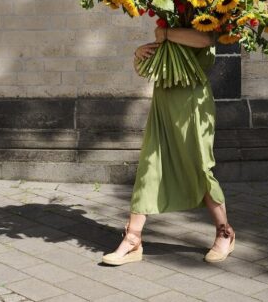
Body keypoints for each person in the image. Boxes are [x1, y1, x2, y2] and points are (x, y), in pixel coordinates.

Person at [101, 25, 235, 265]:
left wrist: (164, 33)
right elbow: (149, 66)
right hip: (163, 101)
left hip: (192, 104)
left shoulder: (205, 17)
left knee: (199, 167)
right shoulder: (169, 20)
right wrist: (139, 54)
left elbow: (205, 40)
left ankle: (224, 232)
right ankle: (132, 239)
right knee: (149, 166)